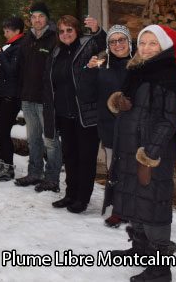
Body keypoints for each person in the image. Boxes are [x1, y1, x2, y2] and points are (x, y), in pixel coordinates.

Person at [105, 25, 176, 282]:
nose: (146, 48)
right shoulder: (137, 71)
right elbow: (136, 106)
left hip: (151, 151)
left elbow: (169, 120)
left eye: (153, 44)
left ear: (163, 47)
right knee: (134, 198)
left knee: (153, 206)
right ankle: (140, 249)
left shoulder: (168, 74)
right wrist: (119, 102)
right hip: (130, 147)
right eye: (143, 42)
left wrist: (150, 155)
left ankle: (160, 268)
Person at [43, 15, 106, 213]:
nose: (65, 34)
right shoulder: (56, 53)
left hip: (85, 114)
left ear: (77, 30)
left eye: (69, 30)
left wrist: (98, 30)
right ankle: (70, 194)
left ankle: (82, 198)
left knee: (85, 158)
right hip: (64, 114)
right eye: (61, 31)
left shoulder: (86, 45)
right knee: (70, 157)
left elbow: (105, 42)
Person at [87, 25, 134, 227]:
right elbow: (88, 93)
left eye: (121, 40)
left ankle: (134, 210)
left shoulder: (139, 65)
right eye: (113, 41)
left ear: (129, 41)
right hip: (109, 126)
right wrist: (88, 71)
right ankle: (117, 210)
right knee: (113, 168)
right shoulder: (102, 66)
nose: (117, 44)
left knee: (132, 170)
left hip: (134, 127)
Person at [14, 2, 63, 192]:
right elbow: (21, 69)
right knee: (33, 138)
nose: (37, 20)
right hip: (27, 98)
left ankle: (52, 178)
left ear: (47, 18)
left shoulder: (54, 39)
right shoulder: (27, 40)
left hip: (46, 100)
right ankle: (35, 173)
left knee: (50, 140)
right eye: (34, 16)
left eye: (40, 16)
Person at [0, 17, 25, 181]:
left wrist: (0, 54)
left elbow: (11, 70)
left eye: (8, 30)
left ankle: (7, 168)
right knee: (1, 132)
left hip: (11, 96)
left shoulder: (20, 47)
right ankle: (3, 163)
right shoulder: (14, 46)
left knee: (3, 132)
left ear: (17, 31)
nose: (5, 33)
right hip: (5, 94)